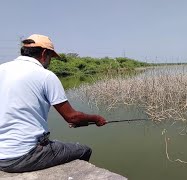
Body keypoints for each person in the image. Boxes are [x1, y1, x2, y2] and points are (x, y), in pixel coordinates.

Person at [0, 34, 107, 173]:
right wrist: (96, 119)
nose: (50, 62)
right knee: (84, 150)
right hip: (22, 156)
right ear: (44, 53)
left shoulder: (2, 68)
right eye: (50, 57)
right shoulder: (45, 75)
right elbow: (72, 117)